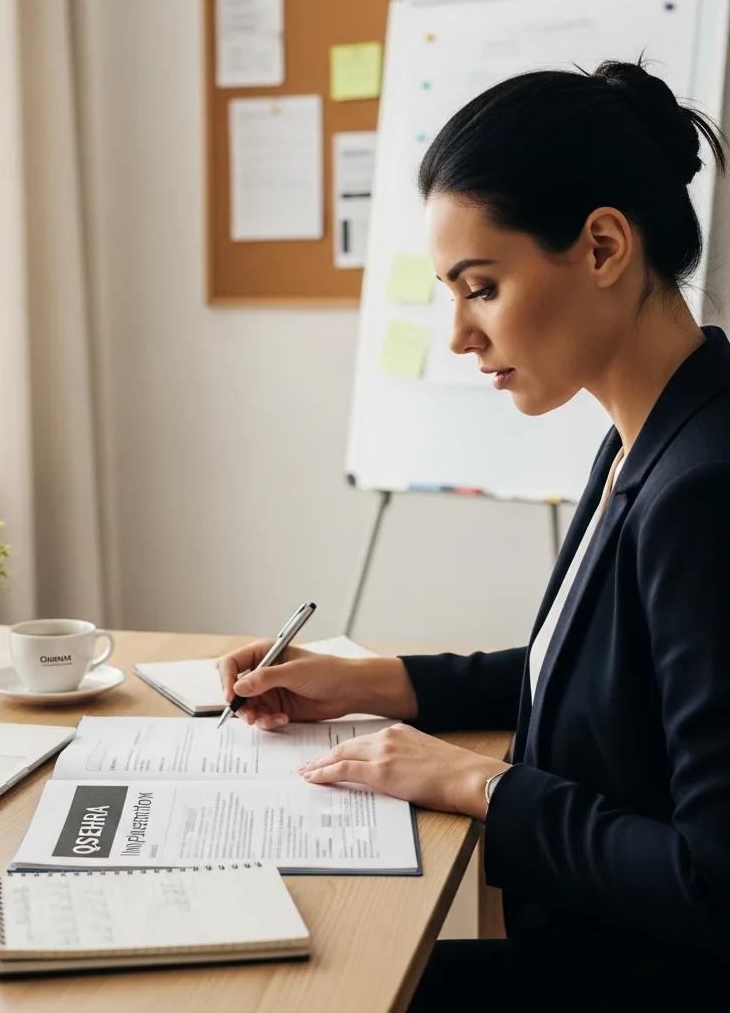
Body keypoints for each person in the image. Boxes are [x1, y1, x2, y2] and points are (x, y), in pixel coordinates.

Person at [218, 56, 730, 1009]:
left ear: (605, 247)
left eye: (480, 286)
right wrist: (380, 682)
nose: (458, 333)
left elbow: (713, 883)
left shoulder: (704, 488)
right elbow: (599, 681)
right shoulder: (650, 434)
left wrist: (472, 783)